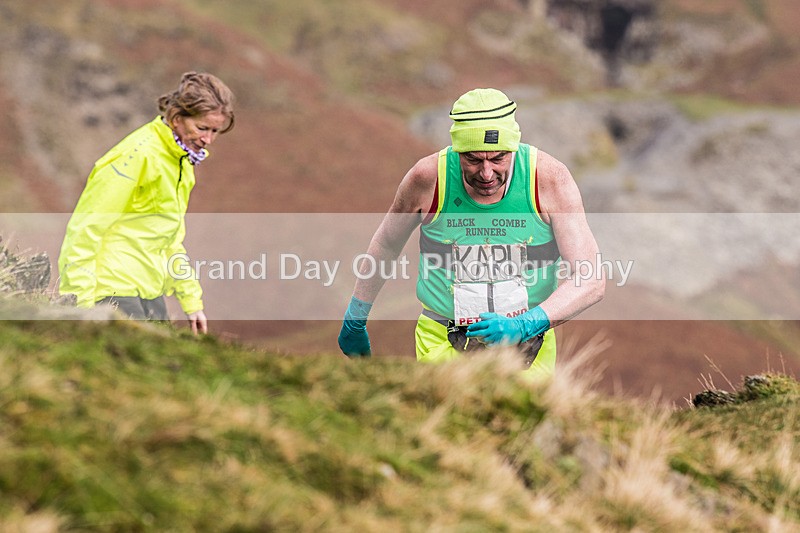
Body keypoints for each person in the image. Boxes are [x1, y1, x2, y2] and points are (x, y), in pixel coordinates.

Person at [338, 88, 605, 377]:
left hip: (530, 345)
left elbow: (591, 279)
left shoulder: (550, 180)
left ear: (513, 148)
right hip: (442, 343)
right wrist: (356, 316)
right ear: (457, 150)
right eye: (474, 160)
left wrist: (526, 324)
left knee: (523, 422)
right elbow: (387, 245)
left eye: (498, 158)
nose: (487, 173)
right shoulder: (427, 179)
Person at [58, 71, 235, 334]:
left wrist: (191, 301)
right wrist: (80, 304)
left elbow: (169, 238)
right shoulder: (136, 154)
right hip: (111, 288)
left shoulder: (181, 161)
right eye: (202, 128)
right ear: (177, 119)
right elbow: (85, 229)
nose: (207, 139)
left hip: (149, 290)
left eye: (215, 131)